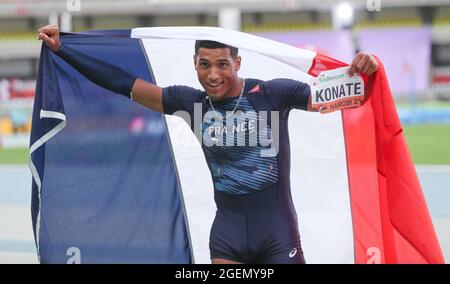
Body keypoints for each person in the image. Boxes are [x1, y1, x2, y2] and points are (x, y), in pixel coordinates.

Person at [38, 25, 378, 264]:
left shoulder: (274, 94)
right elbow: (123, 83)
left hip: (278, 238)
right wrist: (64, 50)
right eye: (204, 64)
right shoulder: (190, 103)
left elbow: (343, 95)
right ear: (195, 64)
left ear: (238, 63)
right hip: (227, 239)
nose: (213, 74)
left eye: (222, 65)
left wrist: (368, 70)